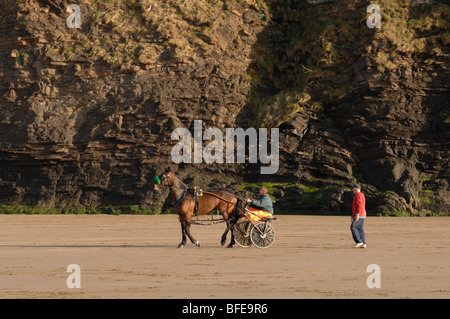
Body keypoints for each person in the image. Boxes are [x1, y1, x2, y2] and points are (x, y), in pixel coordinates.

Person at [351, 184, 366, 248]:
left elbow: (359, 205)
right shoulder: (360, 195)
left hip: (360, 214)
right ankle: (363, 243)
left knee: (353, 227)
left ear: (356, 189)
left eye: (353, 189)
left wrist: (357, 214)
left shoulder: (359, 195)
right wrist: (353, 215)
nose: (352, 190)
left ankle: (359, 242)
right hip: (362, 214)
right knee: (360, 229)